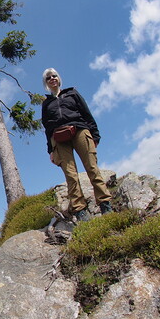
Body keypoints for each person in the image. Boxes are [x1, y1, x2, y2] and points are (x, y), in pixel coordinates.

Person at [41, 67, 112, 221]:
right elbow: (46, 128)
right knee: (70, 174)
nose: (52, 78)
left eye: (54, 75)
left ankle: (105, 204)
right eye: (48, 77)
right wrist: (50, 150)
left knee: (92, 168)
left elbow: (87, 114)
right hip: (58, 138)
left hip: (80, 130)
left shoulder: (72, 93)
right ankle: (80, 210)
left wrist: (95, 135)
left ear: (59, 78)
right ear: (46, 83)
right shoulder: (46, 103)